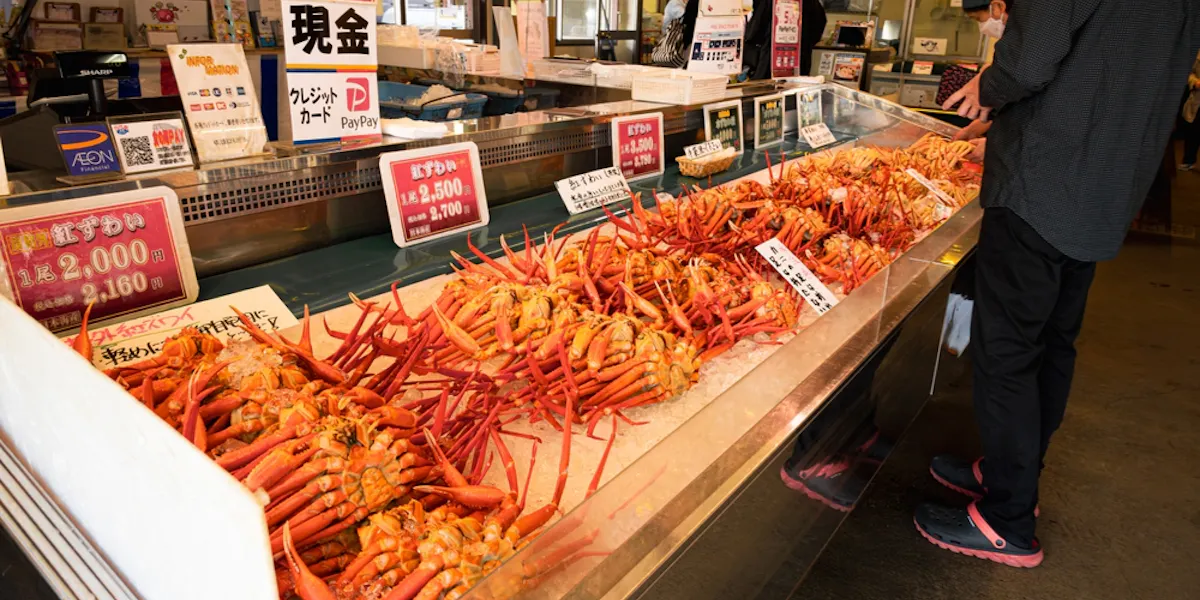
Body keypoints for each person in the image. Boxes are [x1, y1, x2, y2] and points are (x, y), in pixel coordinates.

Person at [921, 0, 1200, 568]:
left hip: (1042, 182)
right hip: (1107, 182)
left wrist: (987, 88)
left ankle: (1008, 521)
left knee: (1008, 350)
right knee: (1052, 341)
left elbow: (1030, 60)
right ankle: (1010, 473)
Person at [951, 0, 1013, 162]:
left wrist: (998, 145)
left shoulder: (1037, 50)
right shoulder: (1013, 46)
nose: (982, 27)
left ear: (998, 7)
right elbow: (1009, 103)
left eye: (979, 19)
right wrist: (976, 127)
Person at [1181, 51, 1200, 170]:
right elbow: (1189, 73)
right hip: (1198, 98)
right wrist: (1195, 82)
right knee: (1193, 130)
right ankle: (1189, 160)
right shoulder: (1197, 54)